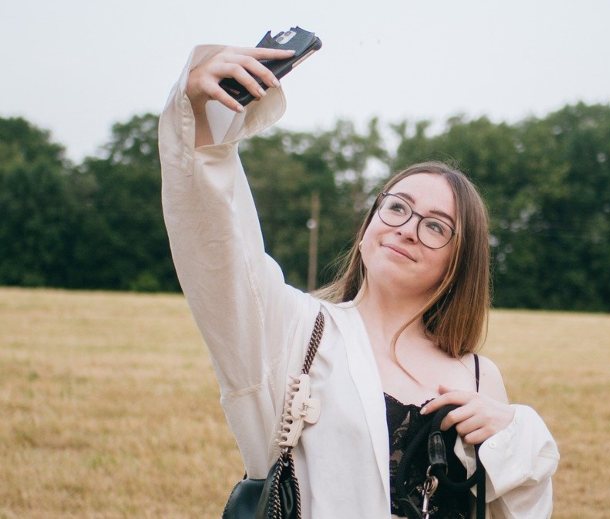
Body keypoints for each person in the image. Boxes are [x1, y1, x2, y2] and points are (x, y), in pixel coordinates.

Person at [160, 45, 559, 518]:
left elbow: (507, 509)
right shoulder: (295, 329)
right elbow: (221, 253)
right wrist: (204, 123)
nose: (407, 227)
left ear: (460, 260)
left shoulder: (478, 376)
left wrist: (516, 431)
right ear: (370, 222)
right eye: (397, 206)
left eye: (435, 226)